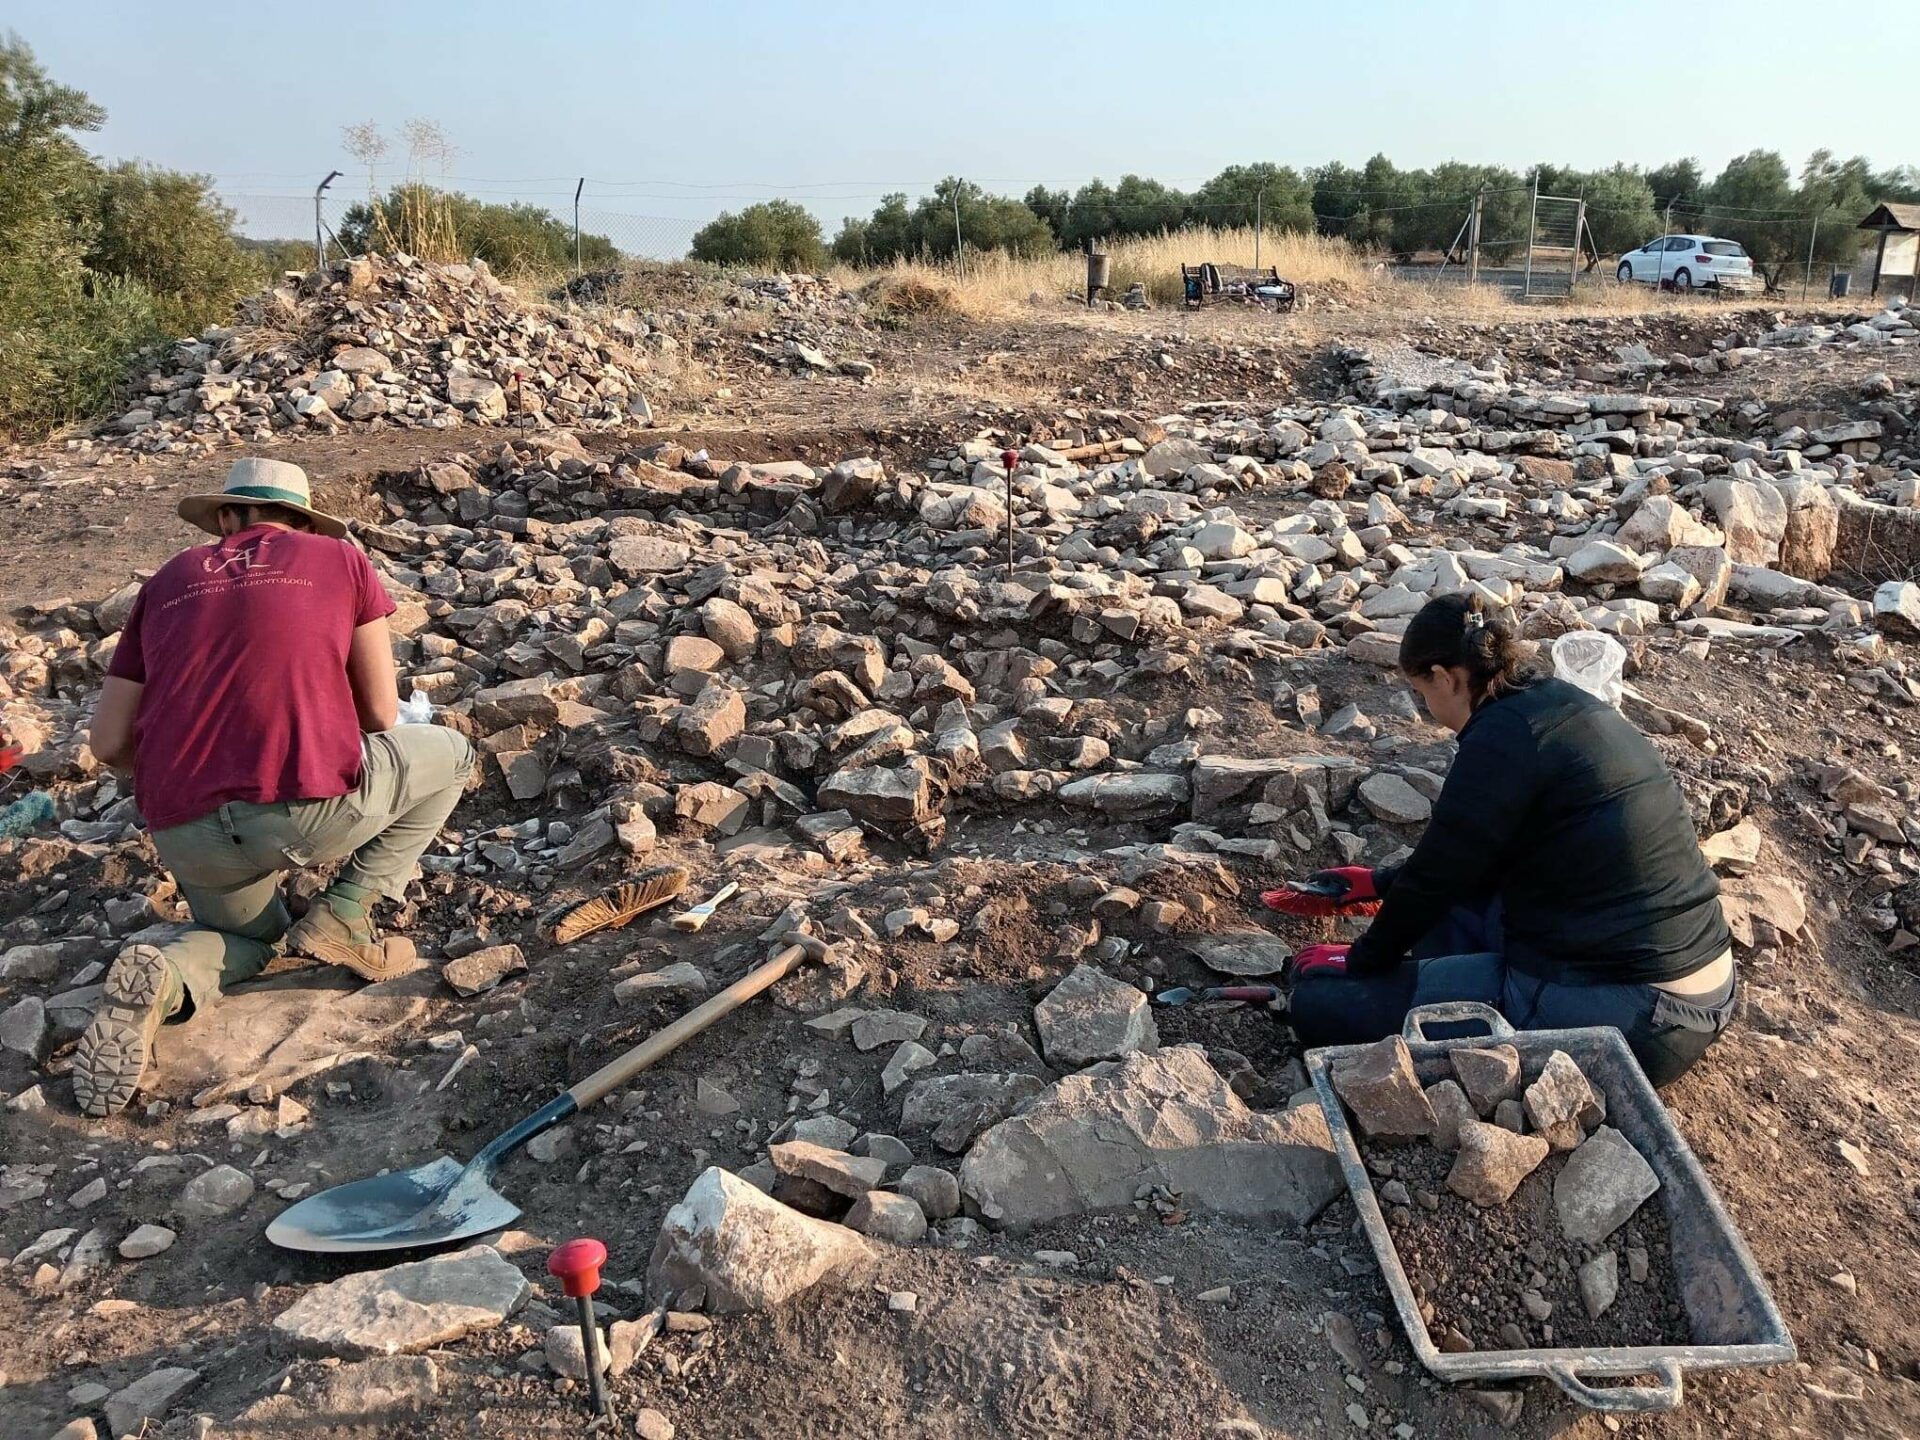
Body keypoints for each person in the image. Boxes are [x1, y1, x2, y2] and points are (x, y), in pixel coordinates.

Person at [78, 458, 474, 1117]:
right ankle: (345, 915)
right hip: (308, 810)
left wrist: (188, 771)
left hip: (186, 828)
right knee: (455, 754)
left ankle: (169, 977)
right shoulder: (338, 558)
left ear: (227, 518)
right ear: (300, 520)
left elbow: (109, 744)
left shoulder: (167, 581)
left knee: (253, 940)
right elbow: (380, 714)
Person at [1269, 594, 1735, 1088]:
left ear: (1445, 677)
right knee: (1447, 916)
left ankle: (1414, 990)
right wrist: (1380, 883)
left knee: (1318, 1004)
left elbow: (1437, 877)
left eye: (1422, 691)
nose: (1428, 709)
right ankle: (1430, 975)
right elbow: (1467, 858)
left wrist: (1361, 962)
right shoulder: (1553, 702)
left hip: (1632, 1016)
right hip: (1699, 988)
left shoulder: (1498, 742)